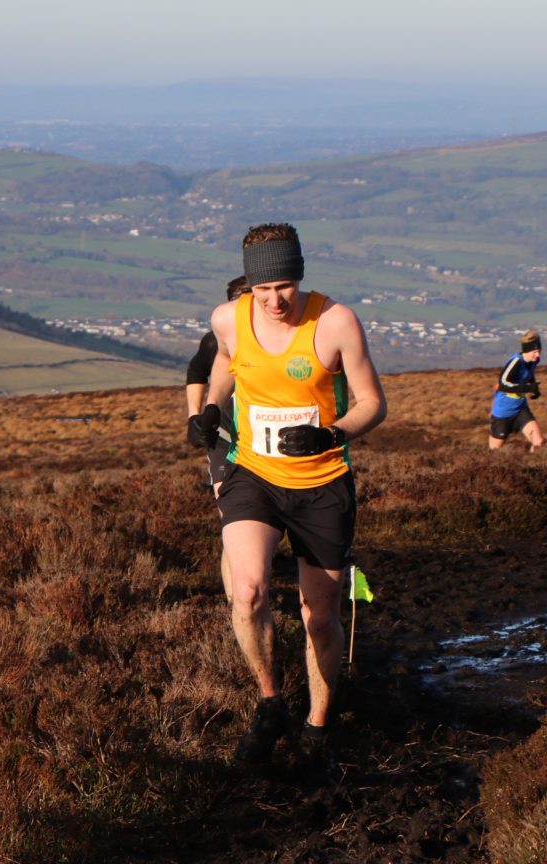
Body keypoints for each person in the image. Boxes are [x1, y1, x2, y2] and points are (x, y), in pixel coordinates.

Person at [188, 222, 387, 769]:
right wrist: (210, 409)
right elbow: (227, 364)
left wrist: (333, 433)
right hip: (253, 474)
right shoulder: (228, 318)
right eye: (262, 290)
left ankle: (318, 729)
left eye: (285, 287)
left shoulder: (336, 322)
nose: (274, 301)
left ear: (299, 276)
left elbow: (373, 402)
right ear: (248, 286)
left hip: (322, 483)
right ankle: (270, 701)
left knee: (318, 616)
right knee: (247, 593)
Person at [187, 276, 251, 601]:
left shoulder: (279, 340)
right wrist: (194, 416)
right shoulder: (215, 341)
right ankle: (236, 603)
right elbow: (196, 370)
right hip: (225, 440)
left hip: (267, 446)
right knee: (232, 524)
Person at [488, 331, 546, 452]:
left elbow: (529, 375)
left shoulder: (533, 361)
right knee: (494, 451)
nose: (537, 356)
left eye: (539, 352)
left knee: (539, 442)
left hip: (520, 409)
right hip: (502, 413)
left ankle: (536, 467)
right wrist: (527, 388)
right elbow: (503, 384)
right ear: (526, 350)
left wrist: (534, 389)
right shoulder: (516, 362)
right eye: (535, 352)